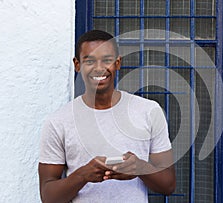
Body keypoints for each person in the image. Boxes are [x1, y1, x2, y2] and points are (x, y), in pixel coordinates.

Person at [38, 30, 176, 203]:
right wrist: (83, 175)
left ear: (117, 63)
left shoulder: (148, 111)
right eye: (89, 60)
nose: (98, 68)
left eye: (107, 60)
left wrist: (139, 167)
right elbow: (48, 196)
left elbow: (168, 185)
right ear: (77, 64)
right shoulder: (58, 122)